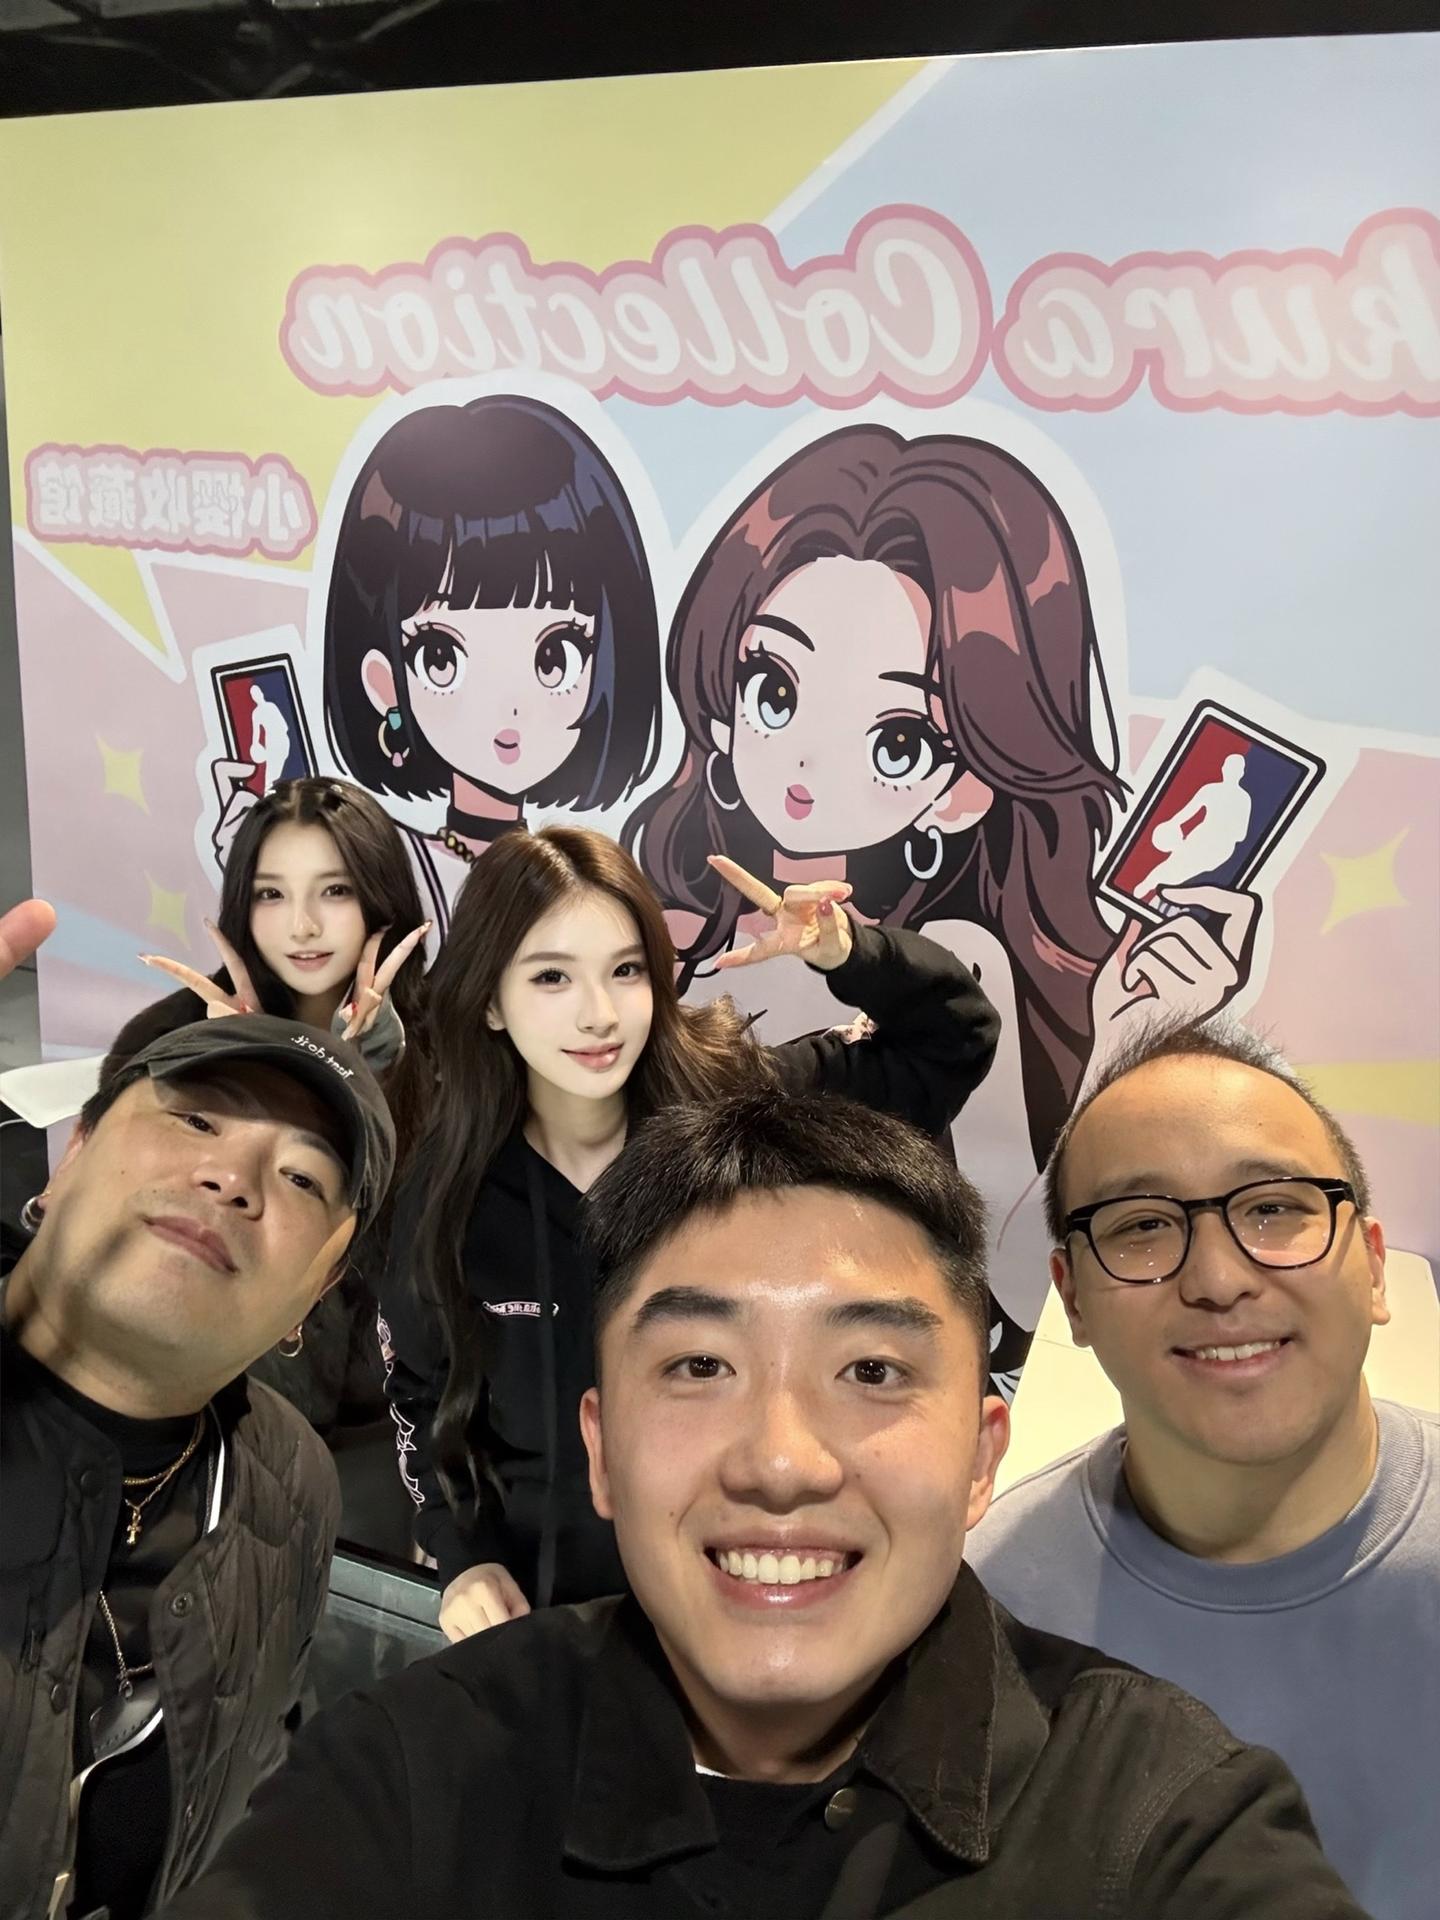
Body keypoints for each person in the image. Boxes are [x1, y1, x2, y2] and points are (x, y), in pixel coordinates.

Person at [151, 1089, 1367, 1918]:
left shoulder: (1162, 1816)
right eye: (698, 1367)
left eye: (872, 1372)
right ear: (602, 1450)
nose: (782, 1464)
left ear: (980, 1455)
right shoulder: (418, 1770)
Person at [379, 824, 999, 1640]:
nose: (600, 1014)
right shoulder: (448, 1194)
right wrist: (466, 1558)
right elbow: (423, 1396)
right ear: (491, 1001)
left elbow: (955, 1037)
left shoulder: (740, 1108)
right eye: (553, 976)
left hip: (759, 1593)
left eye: (626, 970)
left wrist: (847, 952)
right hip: (553, 1625)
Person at [967, 1016, 1437, 1920]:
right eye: (1142, 1227)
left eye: (1275, 1208)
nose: (1219, 1279)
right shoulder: (987, 1617)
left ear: (1375, 1268)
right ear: (1072, 1299)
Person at [1, 969, 398, 1920]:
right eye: (196, 1120)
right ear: (73, 1154)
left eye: (301, 1178)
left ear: (317, 1287)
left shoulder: (289, 1486)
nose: (233, 1180)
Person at [322, 393, 662, 936]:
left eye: (555, 656)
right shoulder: (393, 877)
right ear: (384, 683)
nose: (509, 706)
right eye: (441, 658)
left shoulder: (600, 881)